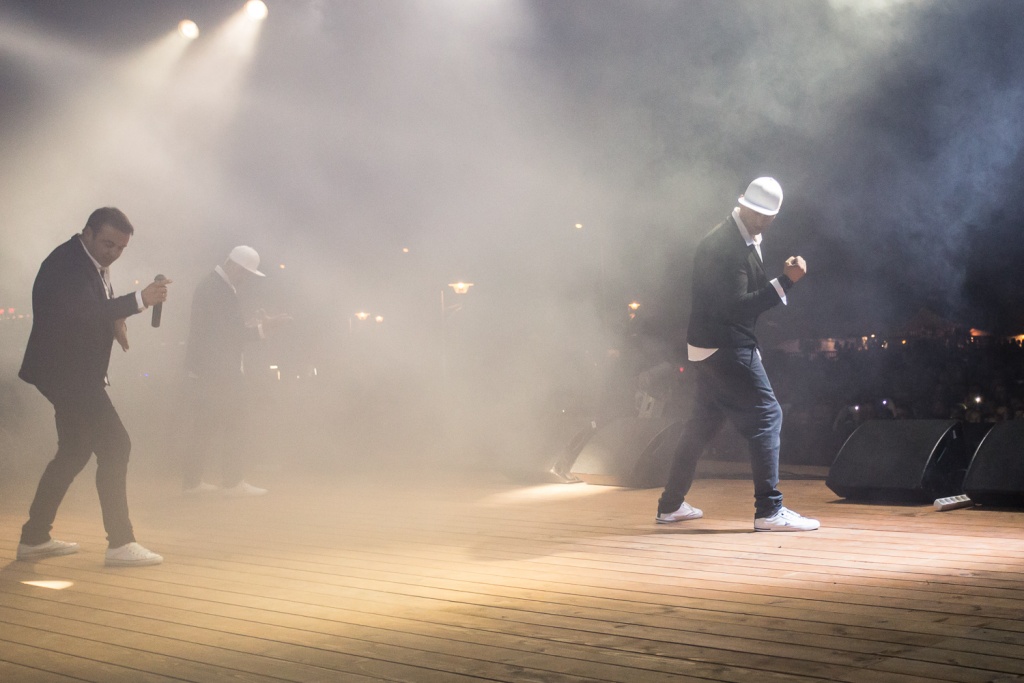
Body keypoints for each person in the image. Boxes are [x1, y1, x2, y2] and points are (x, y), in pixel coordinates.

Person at [656, 177, 820, 531]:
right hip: (726, 345)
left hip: (707, 346)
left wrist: (777, 279)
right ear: (742, 203)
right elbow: (737, 306)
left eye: (765, 216)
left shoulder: (737, 237)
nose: (759, 219)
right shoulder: (728, 246)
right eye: (754, 212)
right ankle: (769, 511)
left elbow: (736, 295)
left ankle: (671, 505)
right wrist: (786, 281)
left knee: (701, 425)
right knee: (768, 416)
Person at [17, 207, 171, 565]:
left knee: (74, 451)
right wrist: (138, 300)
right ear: (87, 232)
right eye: (107, 244)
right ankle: (120, 543)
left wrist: (116, 320)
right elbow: (82, 312)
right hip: (67, 375)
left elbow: (92, 307)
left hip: (68, 373)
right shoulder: (66, 265)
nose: (113, 253)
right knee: (116, 446)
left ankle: (34, 538)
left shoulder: (84, 258)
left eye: (120, 248)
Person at [181, 245, 288, 496]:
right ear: (233, 266)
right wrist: (264, 328)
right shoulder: (218, 289)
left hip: (207, 368)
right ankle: (232, 482)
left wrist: (253, 326)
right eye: (246, 273)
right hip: (220, 370)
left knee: (204, 426)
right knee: (236, 423)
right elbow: (230, 333)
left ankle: (193, 482)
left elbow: (223, 329)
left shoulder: (213, 285)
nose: (246, 279)